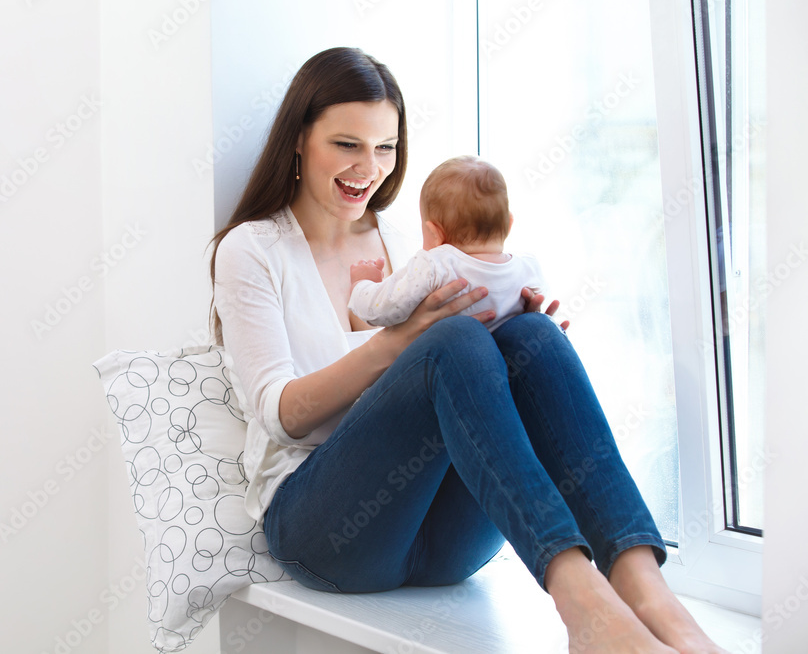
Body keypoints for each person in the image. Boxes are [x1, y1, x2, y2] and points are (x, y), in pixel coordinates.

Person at [209, 47, 725, 653]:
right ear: (299, 139)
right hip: (326, 532)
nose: (368, 168)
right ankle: (582, 604)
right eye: (346, 144)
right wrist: (401, 342)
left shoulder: (409, 244)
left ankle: (646, 589)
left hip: (445, 541)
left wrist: (512, 334)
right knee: (450, 339)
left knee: (531, 337)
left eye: (385, 147)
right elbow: (281, 415)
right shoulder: (252, 250)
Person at [348, 155, 546, 333]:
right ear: (509, 224)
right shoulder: (528, 268)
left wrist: (362, 284)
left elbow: (382, 310)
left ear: (435, 234)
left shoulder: (436, 265)